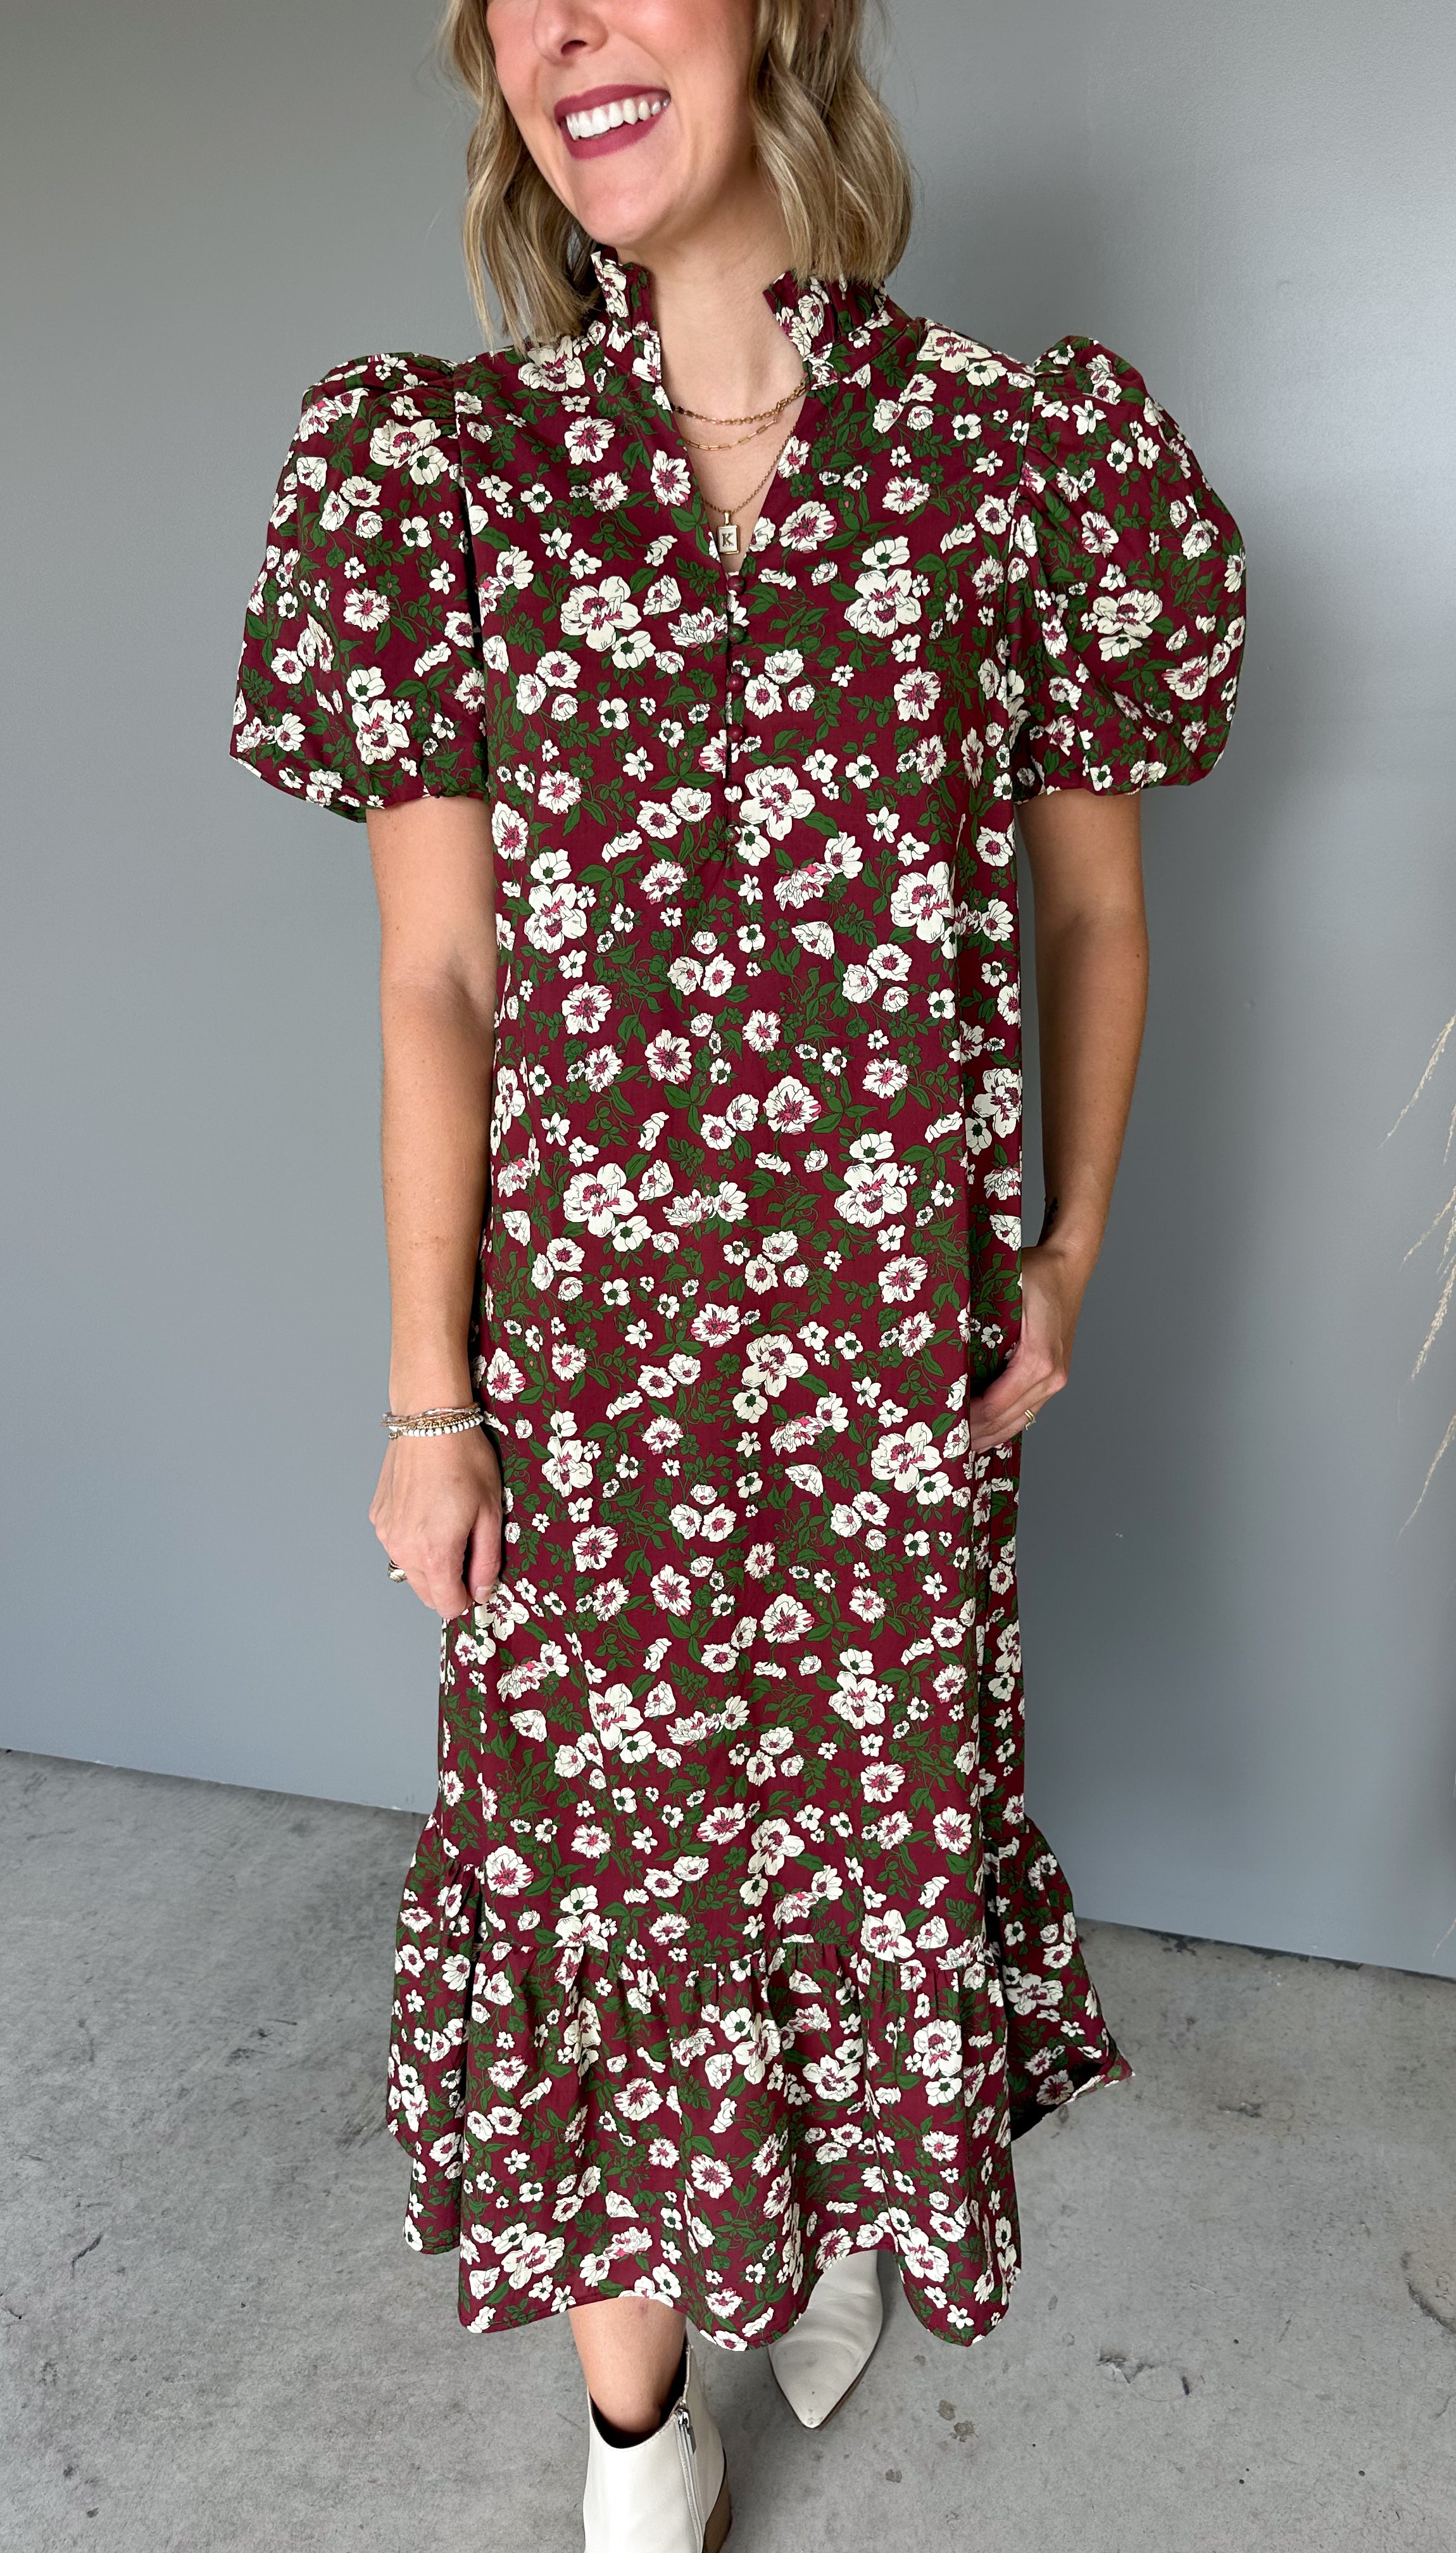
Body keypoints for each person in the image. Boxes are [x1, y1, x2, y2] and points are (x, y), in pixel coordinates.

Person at [230, 2, 1243, 2544]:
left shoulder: (1019, 460)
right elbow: (438, 977)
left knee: (852, 1858)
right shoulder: (439, 474)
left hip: (888, 1394)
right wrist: (429, 1398)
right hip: (584, 1399)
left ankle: (809, 2230)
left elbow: (1091, 914)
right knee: (594, 1895)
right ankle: (633, 2432)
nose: (565, 27)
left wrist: (1067, 1251)